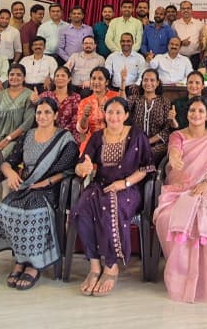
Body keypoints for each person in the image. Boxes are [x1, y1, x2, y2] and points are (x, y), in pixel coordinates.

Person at [0, 96, 78, 290]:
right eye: (39, 112)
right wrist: (10, 173)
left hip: (50, 188)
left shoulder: (65, 138)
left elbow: (69, 170)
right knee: (4, 209)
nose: (42, 116)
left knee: (34, 213)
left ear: (55, 115)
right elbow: (8, 162)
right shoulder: (28, 136)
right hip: (26, 185)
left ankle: (34, 265)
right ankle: (21, 259)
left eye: (47, 112)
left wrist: (46, 182)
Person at [154, 95, 207, 302]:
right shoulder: (178, 135)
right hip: (179, 191)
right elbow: (174, 151)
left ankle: (206, 280)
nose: (196, 114)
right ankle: (181, 277)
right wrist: (174, 158)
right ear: (187, 113)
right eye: (192, 110)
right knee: (169, 217)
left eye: (201, 111)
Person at [70, 96, 155, 296]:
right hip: (100, 185)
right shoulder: (97, 136)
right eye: (110, 112)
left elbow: (146, 168)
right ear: (104, 114)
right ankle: (94, 266)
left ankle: (110, 265)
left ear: (126, 115)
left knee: (110, 207)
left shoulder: (137, 135)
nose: (114, 116)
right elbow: (82, 164)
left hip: (129, 188)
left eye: (118, 112)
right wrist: (83, 168)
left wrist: (124, 183)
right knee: (81, 210)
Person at [0, 64, 35, 160]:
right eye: (12, 74)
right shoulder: (0, 95)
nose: (15, 77)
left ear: (24, 78)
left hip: (16, 139)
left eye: (19, 75)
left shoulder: (30, 95)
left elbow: (27, 124)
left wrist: (7, 139)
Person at [76, 66, 120, 149]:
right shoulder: (85, 102)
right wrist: (85, 116)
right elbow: (81, 129)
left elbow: (123, 121)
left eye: (100, 79)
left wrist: (107, 114)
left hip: (113, 139)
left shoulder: (116, 97)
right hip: (91, 141)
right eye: (93, 78)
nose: (96, 82)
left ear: (107, 82)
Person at [133, 69, 171, 163]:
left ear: (157, 83)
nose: (148, 83)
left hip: (157, 144)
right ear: (142, 82)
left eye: (152, 80)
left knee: (149, 153)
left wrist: (148, 142)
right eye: (145, 80)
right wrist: (123, 82)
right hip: (136, 142)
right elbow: (122, 106)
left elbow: (167, 129)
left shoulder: (164, 102)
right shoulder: (135, 99)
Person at [39, 65, 82, 141]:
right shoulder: (45, 95)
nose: (59, 78)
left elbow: (76, 119)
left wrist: (63, 132)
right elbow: (39, 114)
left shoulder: (75, 97)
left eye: (63, 76)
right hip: (48, 132)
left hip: (69, 133)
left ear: (69, 79)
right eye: (57, 76)